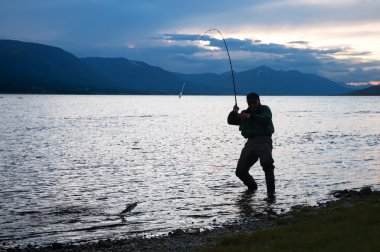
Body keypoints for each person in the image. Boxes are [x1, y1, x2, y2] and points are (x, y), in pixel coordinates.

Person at [227, 92, 275, 201]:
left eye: (254, 102)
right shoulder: (244, 113)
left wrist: (249, 116)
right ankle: (252, 188)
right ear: (247, 103)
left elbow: (266, 119)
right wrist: (234, 111)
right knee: (240, 171)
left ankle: (271, 195)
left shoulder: (265, 109)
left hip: (264, 140)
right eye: (250, 102)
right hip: (250, 142)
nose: (252, 104)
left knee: (267, 165)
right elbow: (231, 121)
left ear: (259, 101)